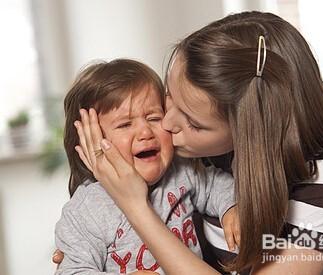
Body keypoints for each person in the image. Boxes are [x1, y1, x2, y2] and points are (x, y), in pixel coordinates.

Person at [54, 11, 323, 275]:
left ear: (247, 129)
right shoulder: (200, 154)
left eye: (193, 122)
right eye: (169, 99)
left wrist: (135, 206)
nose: (166, 125)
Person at [55, 59, 238, 275]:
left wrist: (231, 208)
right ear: (89, 141)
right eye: (125, 124)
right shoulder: (86, 210)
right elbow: (71, 271)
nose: (145, 132)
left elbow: (216, 185)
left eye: (154, 118)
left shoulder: (182, 173)